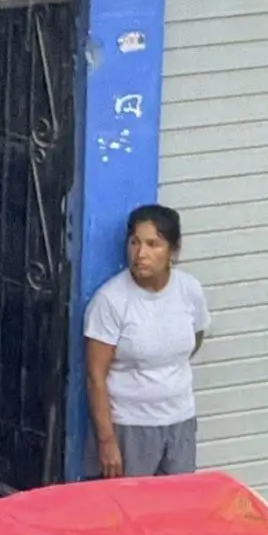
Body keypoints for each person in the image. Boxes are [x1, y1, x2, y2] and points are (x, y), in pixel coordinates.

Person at [84, 204, 210, 478]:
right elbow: (95, 376)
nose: (141, 254)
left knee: (174, 509)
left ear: (173, 252)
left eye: (154, 244)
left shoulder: (189, 291)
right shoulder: (110, 301)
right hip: (130, 427)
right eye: (135, 242)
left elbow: (195, 340)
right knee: (127, 511)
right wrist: (107, 442)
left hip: (179, 421)